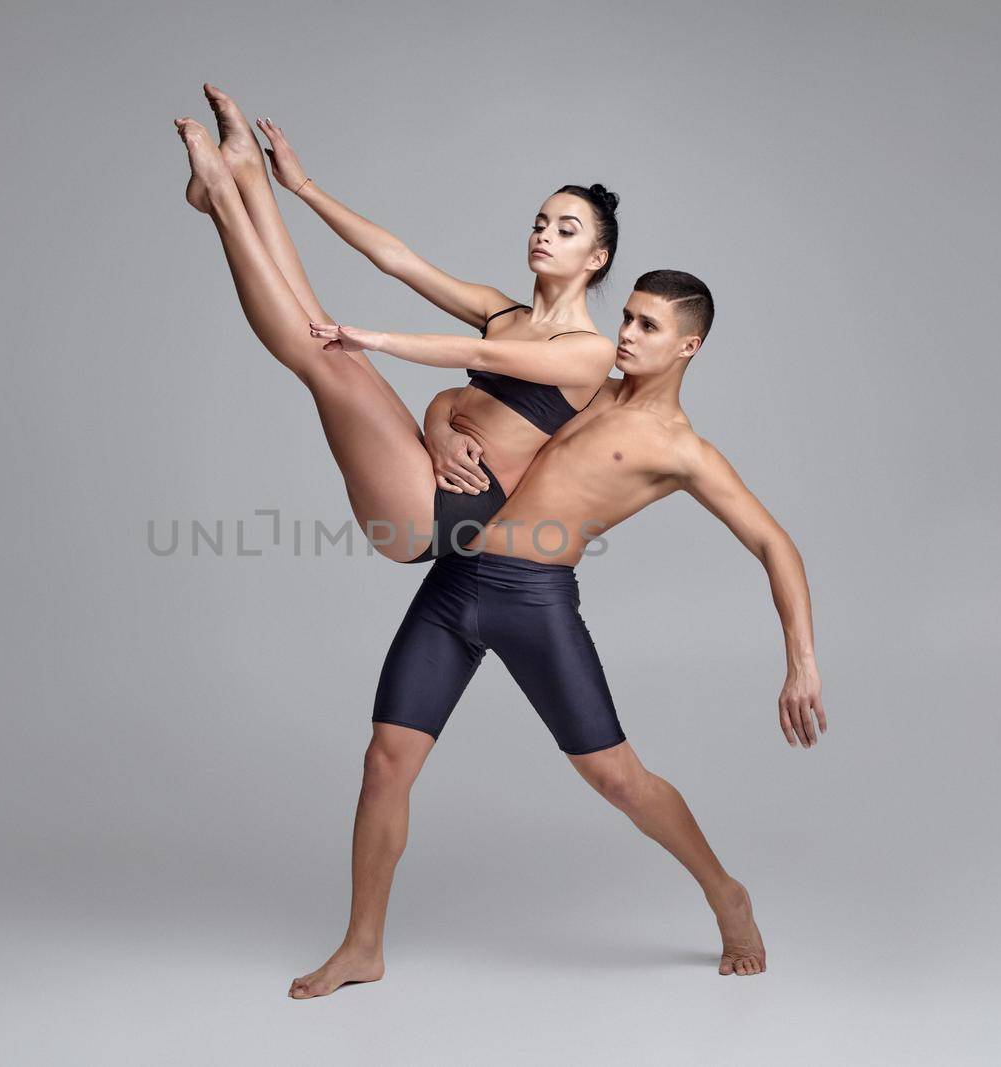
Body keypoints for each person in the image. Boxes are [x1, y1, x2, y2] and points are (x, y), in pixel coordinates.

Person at [287, 271, 828, 998]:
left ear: (688, 346)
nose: (626, 336)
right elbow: (457, 397)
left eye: (647, 328)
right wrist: (445, 431)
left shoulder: (680, 448)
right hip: (454, 580)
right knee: (385, 761)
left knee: (617, 779)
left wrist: (801, 663)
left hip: (533, 599)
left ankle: (726, 893)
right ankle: (362, 945)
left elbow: (774, 544)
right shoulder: (582, 381)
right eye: (627, 318)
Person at [176, 87, 617, 561]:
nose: (544, 235)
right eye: (539, 224)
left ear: (596, 257)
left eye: (565, 231)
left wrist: (378, 339)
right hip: (422, 468)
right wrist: (303, 186)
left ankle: (221, 196)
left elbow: (480, 355)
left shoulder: (592, 350)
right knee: (323, 336)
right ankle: (248, 174)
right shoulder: (501, 311)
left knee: (328, 362)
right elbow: (398, 260)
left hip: (441, 513)